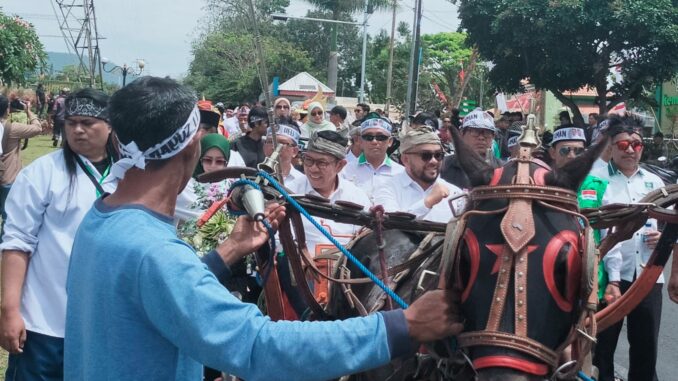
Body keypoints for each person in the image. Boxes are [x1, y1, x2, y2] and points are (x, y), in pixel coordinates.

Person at [63, 76, 462, 381]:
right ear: (191, 148)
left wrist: (226, 254)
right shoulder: (154, 251)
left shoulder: (102, 220)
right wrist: (399, 327)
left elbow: (153, 296)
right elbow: (256, 345)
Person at [0, 88, 118, 380]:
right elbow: (17, 243)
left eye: (88, 123)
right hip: (44, 322)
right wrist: (9, 309)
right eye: (70, 122)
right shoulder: (42, 173)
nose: (77, 130)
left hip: (108, 325)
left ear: (110, 124)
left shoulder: (130, 175)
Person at [591, 115, 665, 381]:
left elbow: (671, 222)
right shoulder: (596, 181)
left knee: (646, 347)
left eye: (637, 144)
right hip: (609, 278)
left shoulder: (655, 183)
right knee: (603, 346)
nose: (631, 149)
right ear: (610, 146)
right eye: (623, 145)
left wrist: (662, 235)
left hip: (647, 274)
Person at [288, 130, 371, 303]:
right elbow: (280, 240)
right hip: (301, 281)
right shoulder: (290, 193)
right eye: (308, 160)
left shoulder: (357, 197)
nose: (312, 168)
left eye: (321, 163)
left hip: (348, 283)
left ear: (340, 165)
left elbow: (367, 241)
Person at [548, 124, 609, 302]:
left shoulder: (599, 186)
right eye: (565, 150)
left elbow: (607, 235)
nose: (572, 156)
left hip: (589, 279)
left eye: (578, 150)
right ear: (552, 152)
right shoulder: (537, 184)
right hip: (547, 278)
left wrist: (614, 280)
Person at [375, 127, 463, 223]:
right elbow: (389, 226)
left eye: (438, 155)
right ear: (406, 159)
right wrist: (427, 203)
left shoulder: (455, 194)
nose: (433, 161)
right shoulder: (387, 189)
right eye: (425, 155)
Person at [0, 95, 43, 234]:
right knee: (9, 216)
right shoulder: (12, 128)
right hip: (8, 177)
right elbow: (37, 128)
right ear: (7, 109)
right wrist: (28, 110)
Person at [341, 115, 404, 203]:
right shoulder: (345, 171)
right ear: (361, 142)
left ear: (390, 142)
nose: (374, 142)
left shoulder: (401, 173)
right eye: (368, 137)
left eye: (381, 137)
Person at [441, 108, 502, 190]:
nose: (481, 137)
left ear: (493, 137)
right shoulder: (444, 166)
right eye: (475, 131)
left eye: (487, 133)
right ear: (462, 133)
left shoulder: (502, 169)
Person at [263, 121, 304, 188]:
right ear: (264, 147)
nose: (274, 147)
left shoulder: (303, 182)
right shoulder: (252, 177)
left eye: (282, 143)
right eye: (270, 142)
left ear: (294, 151)